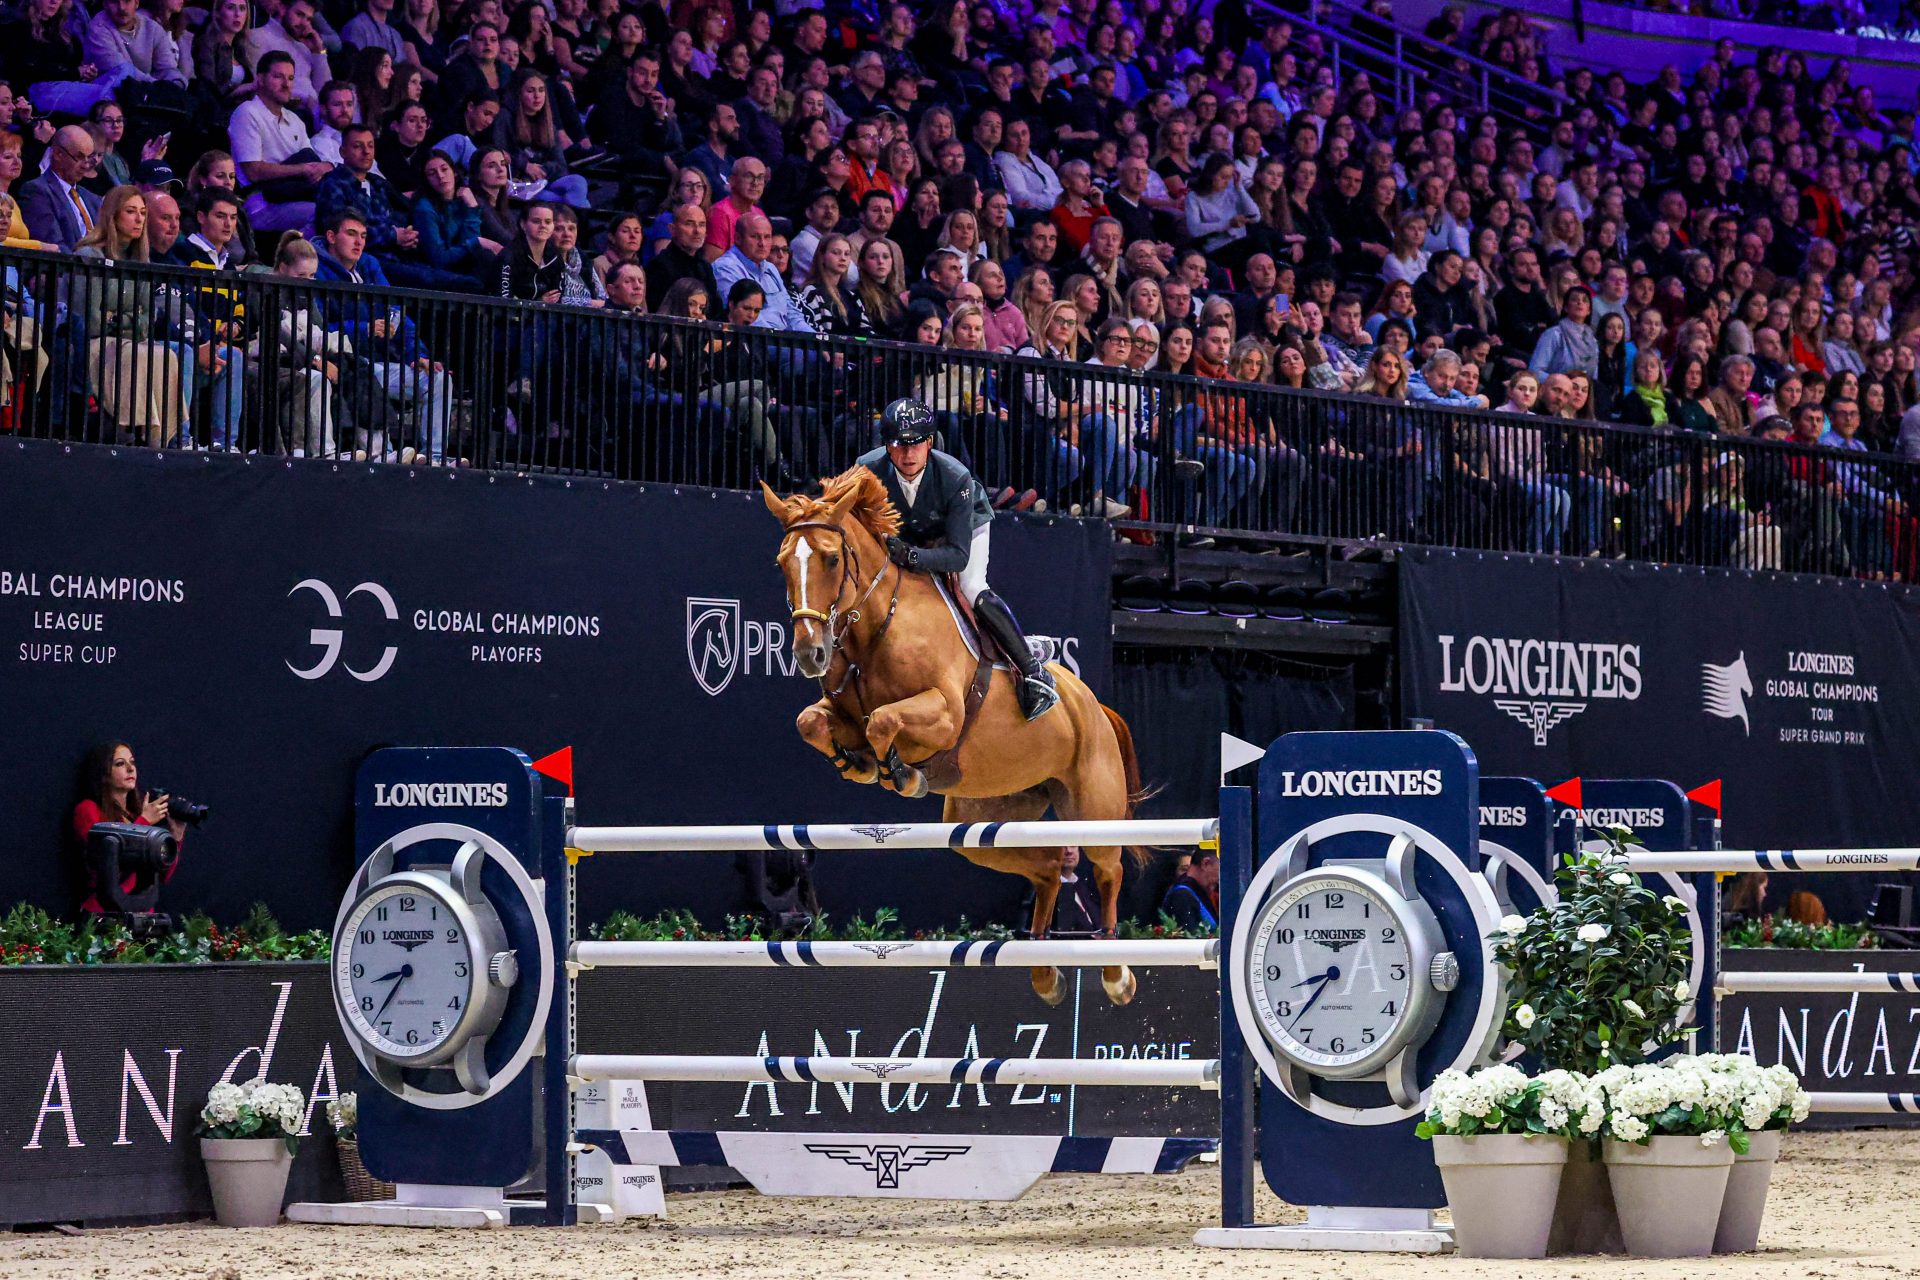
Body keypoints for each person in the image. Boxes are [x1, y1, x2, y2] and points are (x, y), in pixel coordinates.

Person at [856, 397, 1060, 720]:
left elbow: (957, 556)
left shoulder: (955, 477)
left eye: (916, 444)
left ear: (930, 442)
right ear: (886, 446)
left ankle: (1033, 671)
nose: (908, 455)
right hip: (913, 530)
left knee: (971, 586)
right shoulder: (866, 470)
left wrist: (912, 555)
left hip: (961, 529)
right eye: (898, 445)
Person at [73, 741, 186, 916]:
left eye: (132, 762)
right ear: (103, 775)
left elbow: (163, 876)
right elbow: (110, 863)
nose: (130, 768)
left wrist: (176, 837)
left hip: (142, 913)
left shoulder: (136, 814)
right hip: (105, 913)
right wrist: (145, 821)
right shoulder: (88, 810)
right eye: (120, 764)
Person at [18, 125, 103, 252]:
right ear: (58, 154)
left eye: (89, 157)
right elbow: (53, 245)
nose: (86, 166)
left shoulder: (93, 199)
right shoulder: (36, 191)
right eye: (79, 157)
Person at [1160, 852, 1218, 930]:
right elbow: (1189, 935)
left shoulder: (1199, 891)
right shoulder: (1181, 895)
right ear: (1205, 863)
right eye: (1222, 868)